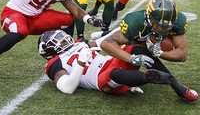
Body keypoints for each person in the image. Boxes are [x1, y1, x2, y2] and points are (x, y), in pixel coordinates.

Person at [91, 0, 199, 101]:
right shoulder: (135, 22)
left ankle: (175, 84)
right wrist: (132, 58)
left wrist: (159, 53)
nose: (163, 29)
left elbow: (182, 54)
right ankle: (102, 34)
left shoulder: (178, 21)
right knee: (94, 44)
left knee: (147, 49)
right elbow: (106, 43)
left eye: (167, 26)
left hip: (145, 43)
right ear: (149, 17)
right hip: (131, 42)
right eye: (159, 25)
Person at [38, 29, 172, 95]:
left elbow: (103, 42)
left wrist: (110, 31)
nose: (65, 39)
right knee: (114, 74)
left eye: (62, 37)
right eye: (58, 40)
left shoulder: (79, 44)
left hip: (112, 62)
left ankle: (170, 77)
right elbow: (67, 88)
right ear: (49, 50)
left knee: (134, 49)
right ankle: (149, 77)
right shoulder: (55, 63)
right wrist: (80, 63)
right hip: (102, 79)